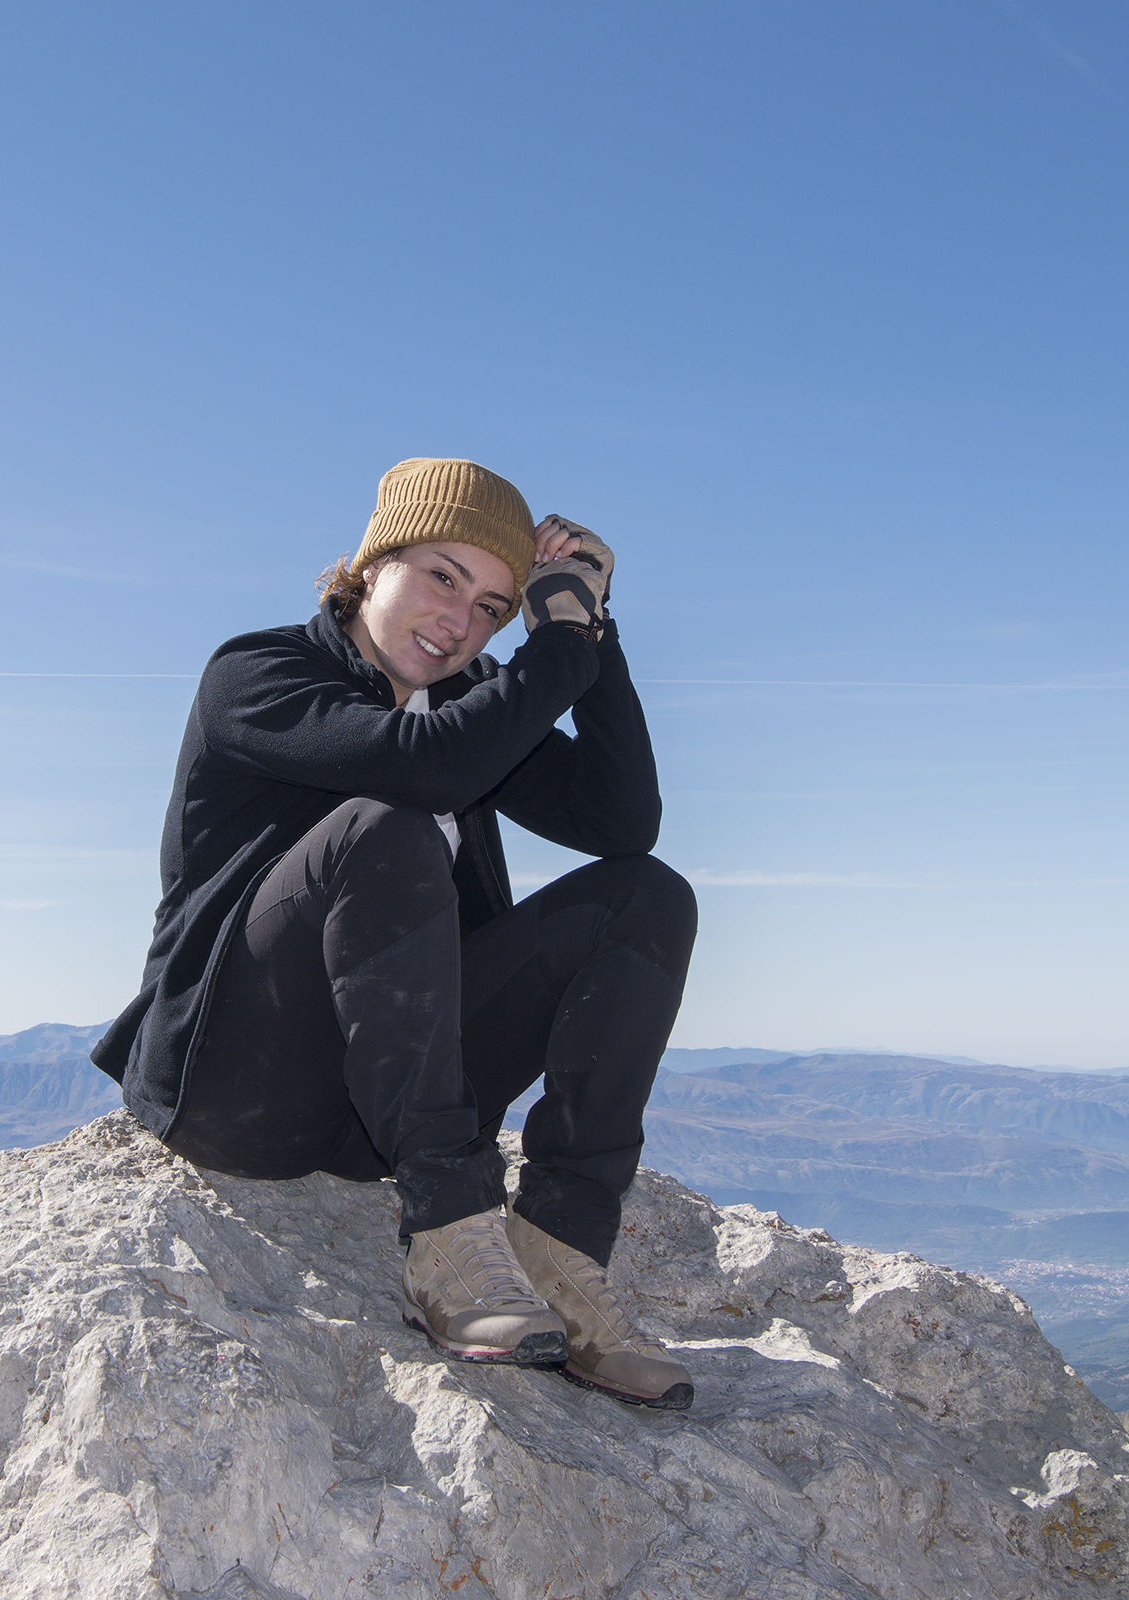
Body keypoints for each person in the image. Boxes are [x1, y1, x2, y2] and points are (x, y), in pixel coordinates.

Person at [92, 457, 698, 1409]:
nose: (461, 623)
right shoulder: (258, 674)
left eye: (497, 607)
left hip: (389, 1107)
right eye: (443, 577)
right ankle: (451, 1239)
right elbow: (426, 771)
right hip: (243, 1090)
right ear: (372, 565)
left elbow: (623, 823)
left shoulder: (467, 709)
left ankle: (558, 1252)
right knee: (386, 825)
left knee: (647, 896)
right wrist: (553, 657)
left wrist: (589, 632)